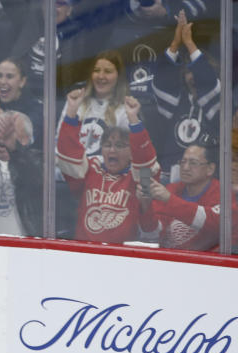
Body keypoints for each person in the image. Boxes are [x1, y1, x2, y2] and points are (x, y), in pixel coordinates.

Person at [57, 90, 160, 244]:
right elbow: (68, 157)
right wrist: (71, 111)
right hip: (84, 253)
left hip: (122, 257)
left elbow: (146, 164)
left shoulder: (138, 177)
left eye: (119, 145)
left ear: (132, 152)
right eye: (107, 145)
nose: (112, 150)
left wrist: (133, 119)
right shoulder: (92, 169)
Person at [150, 9, 221, 183]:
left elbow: (207, 79)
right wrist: (176, 42)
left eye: (196, 72)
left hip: (204, 181)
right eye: (189, 72)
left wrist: (189, 43)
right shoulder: (176, 100)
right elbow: (161, 80)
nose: (193, 77)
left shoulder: (218, 103)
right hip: (169, 177)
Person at [141, 141, 222, 251]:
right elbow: (152, 235)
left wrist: (170, 200)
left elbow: (217, 224)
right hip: (166, 260)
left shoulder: (223, 193)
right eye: (183, 162)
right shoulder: (172, 189)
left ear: (210, 169)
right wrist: (146, 207)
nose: (185, 167)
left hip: (203, 264)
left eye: (193, 163)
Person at [57, 50, 130, 160]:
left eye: (108, 71)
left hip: (105, 174)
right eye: (96, 70)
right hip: (71, 170)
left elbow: (128, 155)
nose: (101, 76)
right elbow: (59, 143)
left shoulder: (125, 110)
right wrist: (72, 109)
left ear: (118, 76)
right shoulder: (75, 102)